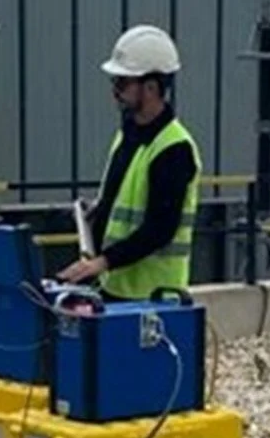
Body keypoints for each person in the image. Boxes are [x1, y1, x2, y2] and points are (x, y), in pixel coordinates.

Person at [59, 24, 200, 299]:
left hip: (154, 295)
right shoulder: (128, 135)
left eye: (122, 83)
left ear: (151, 87)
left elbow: (160, 228)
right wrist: (98, 214)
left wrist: (101, 263)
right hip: (116, 286)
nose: (115, 91)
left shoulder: (174, 149)